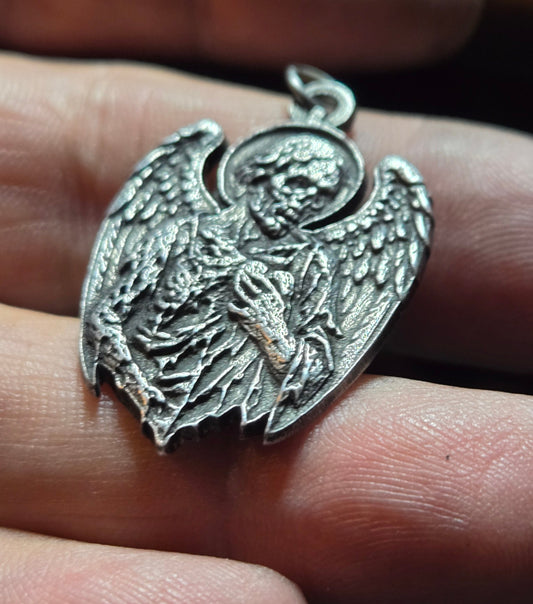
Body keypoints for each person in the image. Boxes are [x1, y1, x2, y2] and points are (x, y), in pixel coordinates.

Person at [0, 1, 531, 602]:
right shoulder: (181, 232)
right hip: (147, 395)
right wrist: (137, 383)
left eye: (320, 194)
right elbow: (107, 315)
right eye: (296, 184)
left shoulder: (311, 266)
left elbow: (312, 370)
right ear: (259, 176)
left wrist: (272, 330)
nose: (303, 201)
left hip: (222, 402)